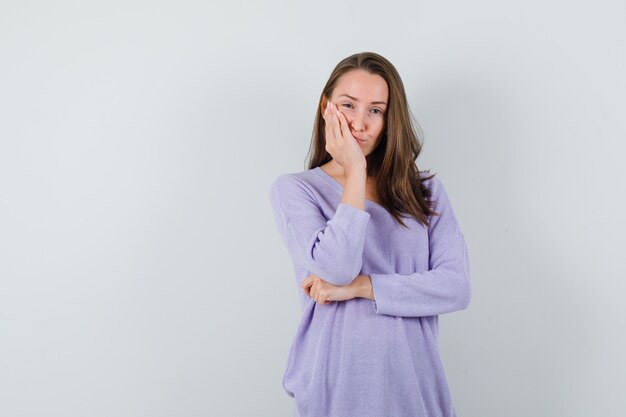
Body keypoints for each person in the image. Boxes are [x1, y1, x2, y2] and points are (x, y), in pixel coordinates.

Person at [268, 51, 472, 417]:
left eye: (375, 110)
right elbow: (335, 268)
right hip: (336, 385)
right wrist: (355, 171)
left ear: (389, 118)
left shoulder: (424, 192)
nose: (360, 123)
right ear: (326, 107)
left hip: (415, 384)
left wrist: (363, 287)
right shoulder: (296, 191)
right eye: (348, 105)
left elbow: (456, 286)